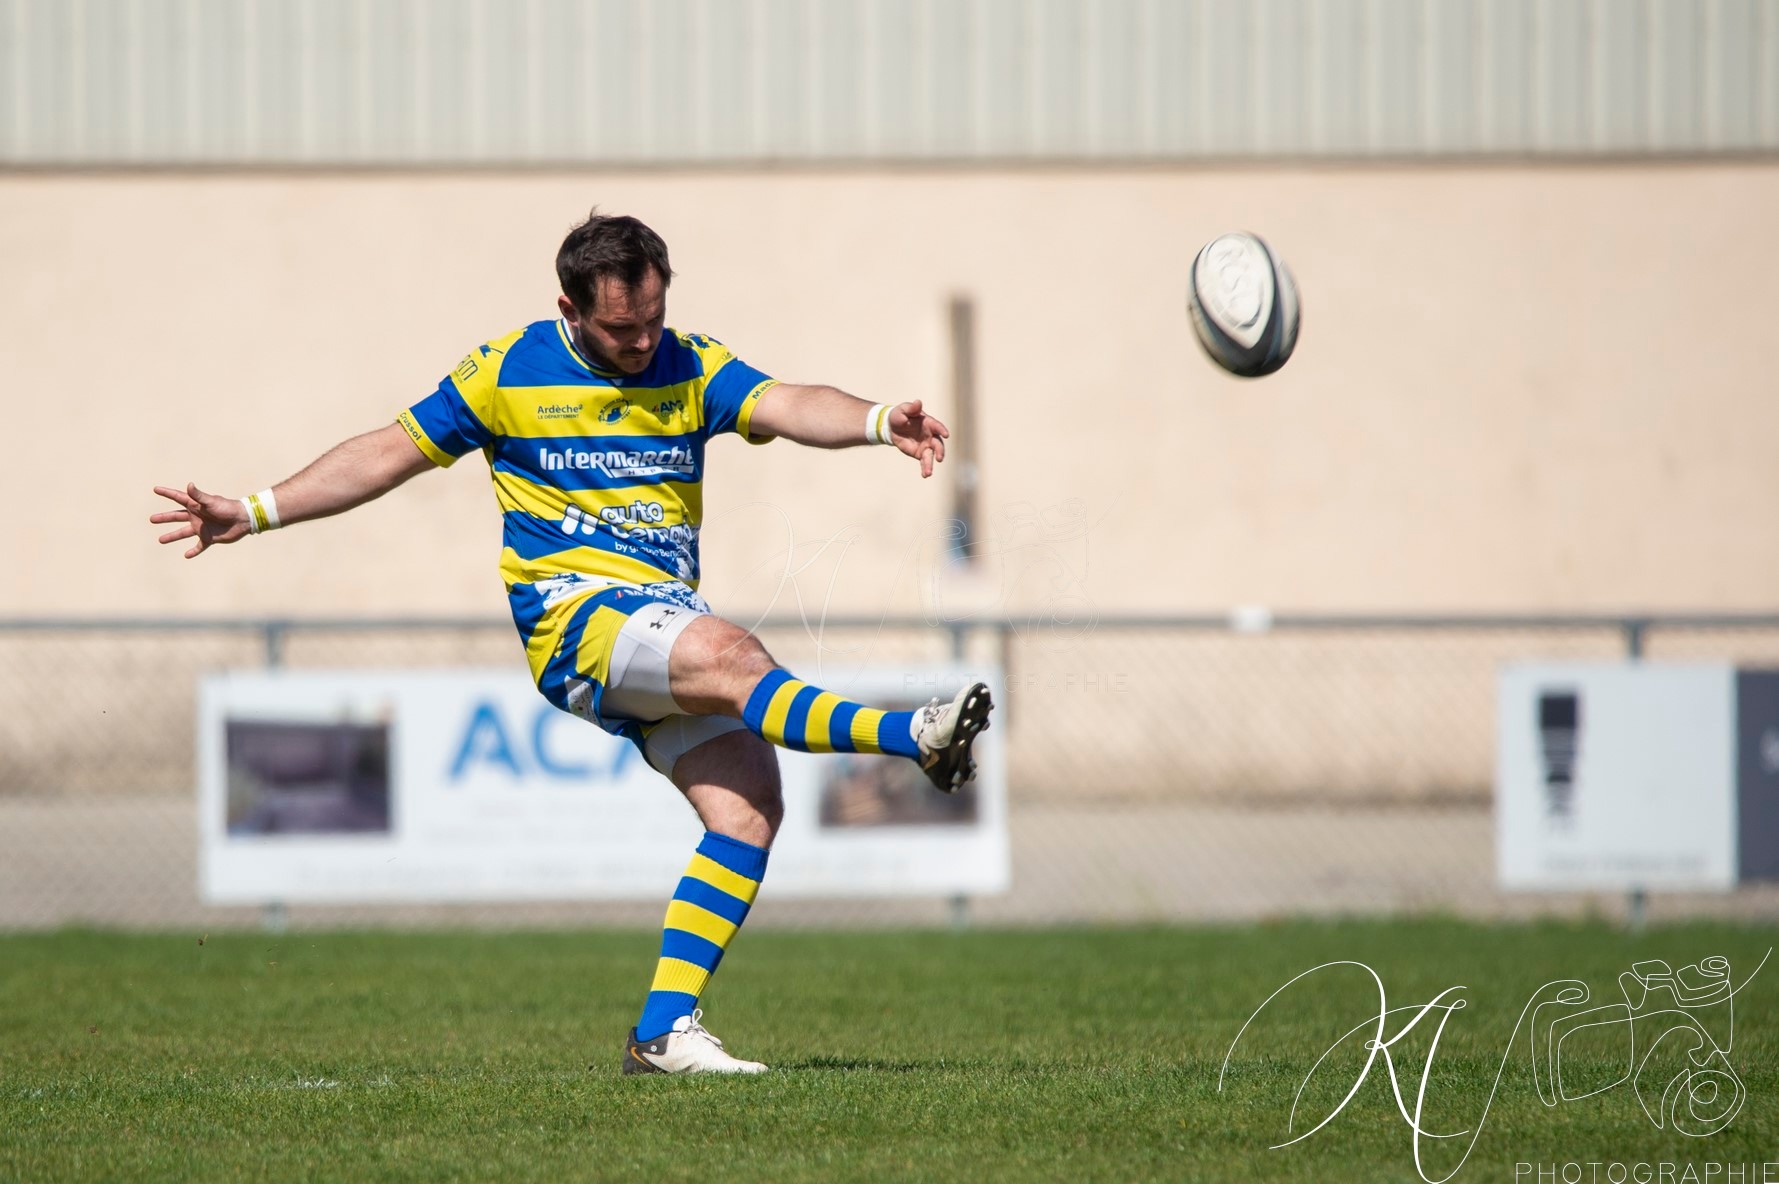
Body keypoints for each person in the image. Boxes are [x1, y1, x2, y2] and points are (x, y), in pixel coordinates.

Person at [150, 210, 992, 1076]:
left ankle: (663, 1034)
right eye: (622, 328)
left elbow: (785, 402)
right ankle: (912, 738)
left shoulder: (689, 363)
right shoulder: (507, 372)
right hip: (576, 618)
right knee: (736, 657)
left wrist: (876, 417)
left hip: (658, 614)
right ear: (570, 307)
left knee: (747, 805)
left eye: (654, 318)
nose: (642, 341)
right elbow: (387, 454)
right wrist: (252, 512)